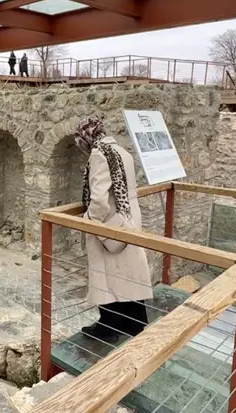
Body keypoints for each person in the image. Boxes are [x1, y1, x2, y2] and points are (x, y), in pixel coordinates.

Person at [75, 116, 153, 343]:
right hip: (128, 219)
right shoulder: (121, 151)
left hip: (109, 225)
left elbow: (99, 200)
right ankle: (134, 323)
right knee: (128, 275)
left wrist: (88, 220)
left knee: (107, 278)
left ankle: (108, 326)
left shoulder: (99, 154)